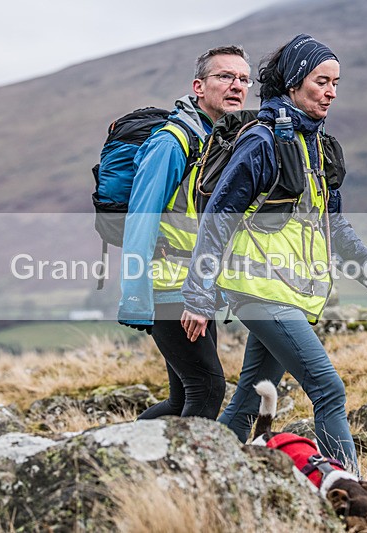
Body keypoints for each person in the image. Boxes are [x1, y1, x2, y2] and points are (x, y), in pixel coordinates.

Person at [180, 34, 367, 471]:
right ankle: (351, 499)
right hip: (259, 291)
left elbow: (334, 228)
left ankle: (205, 477)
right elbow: (217, 218)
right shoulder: (262, 141)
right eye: (321, 81)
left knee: (249, 398)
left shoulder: (319, 148)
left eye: (336, 83)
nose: (331, 92)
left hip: (289, 292)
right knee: (329, 389)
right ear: (293, 82)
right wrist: (197, 296)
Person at [117, 45, 252, 420]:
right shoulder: (171, 143)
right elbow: (140, 220)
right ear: (198, 86)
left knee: (182, 400)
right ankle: (189, 477)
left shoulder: (219, 140)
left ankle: (124, 458)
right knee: (207, 388)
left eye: (243, 79)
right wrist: (135, 299)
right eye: (225, 76)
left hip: (195, 286)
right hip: (169, 286)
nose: (236, 86)